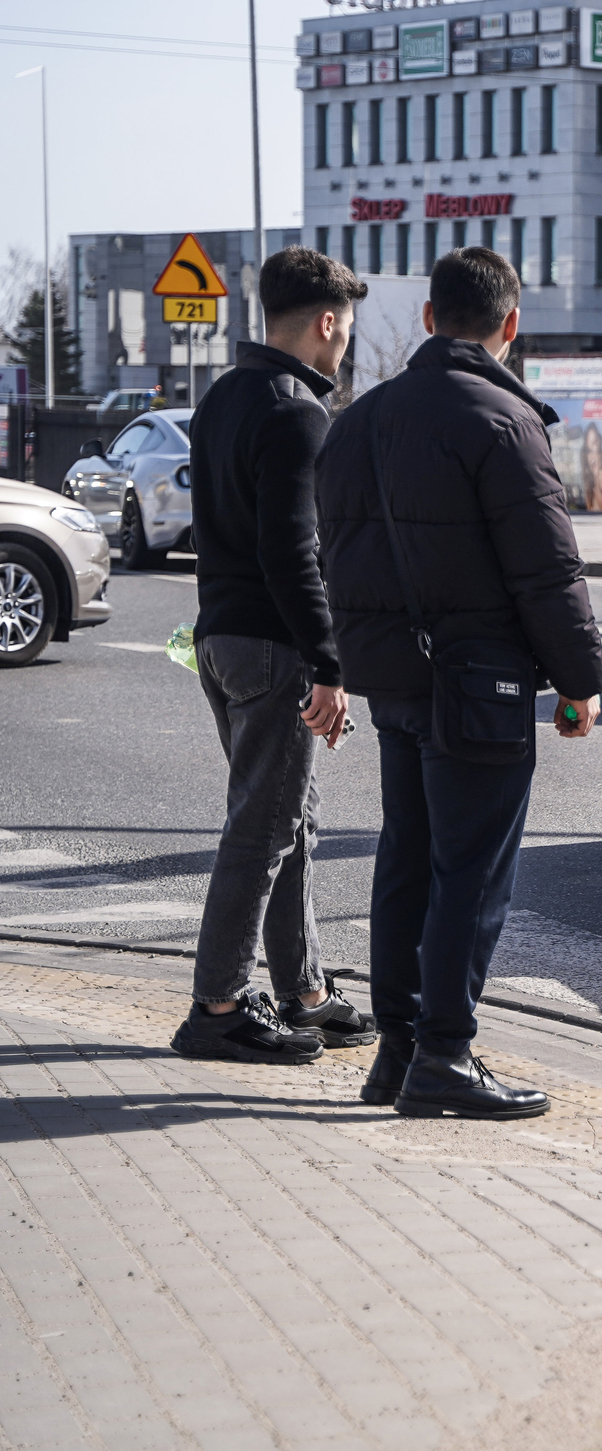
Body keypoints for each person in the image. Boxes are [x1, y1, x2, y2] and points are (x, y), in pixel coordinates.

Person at [316, 248, 602, 1120]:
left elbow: (338, 555)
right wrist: (580, 679)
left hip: (394, 679)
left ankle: (398, 1050)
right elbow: (546, 571)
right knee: (471, 873)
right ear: (509, 326)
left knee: (406, 860)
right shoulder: (504, 422)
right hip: (478, 682)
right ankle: (445, 1053)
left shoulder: (359, 419)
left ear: (428, 317)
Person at [171, 247, 379, 1065]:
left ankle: (304, 991)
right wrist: (329, 664)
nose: (347, 343)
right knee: (261, 828)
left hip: (218, 640)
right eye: (347, 327)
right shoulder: (297, 412)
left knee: (291, 818)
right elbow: (295, 552)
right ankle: (218, 1006)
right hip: (273, 648)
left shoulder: (221, 398)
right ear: (326, 321)